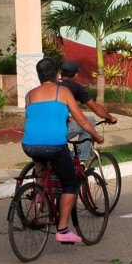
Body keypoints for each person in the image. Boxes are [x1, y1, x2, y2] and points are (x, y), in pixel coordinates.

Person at [22, 57, 101, 244]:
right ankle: (63, 230)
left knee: (41, 159)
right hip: (54, 145)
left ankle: (41, 194)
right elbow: (82, 120)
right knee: (70, 185)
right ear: (58, 74)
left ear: (39, 75)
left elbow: (36, 117)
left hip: (29, 145)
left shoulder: (30, 95)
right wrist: (96, 136)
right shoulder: (63, 91)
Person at [59, 59, 119, 143]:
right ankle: (83, 155)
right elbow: (94, 107)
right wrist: (110, 118)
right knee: (90, 121)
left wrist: (68, 118)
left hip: (40, 130)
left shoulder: (52, 85)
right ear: (76, 75)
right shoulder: (76, 88)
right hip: (58, 133)